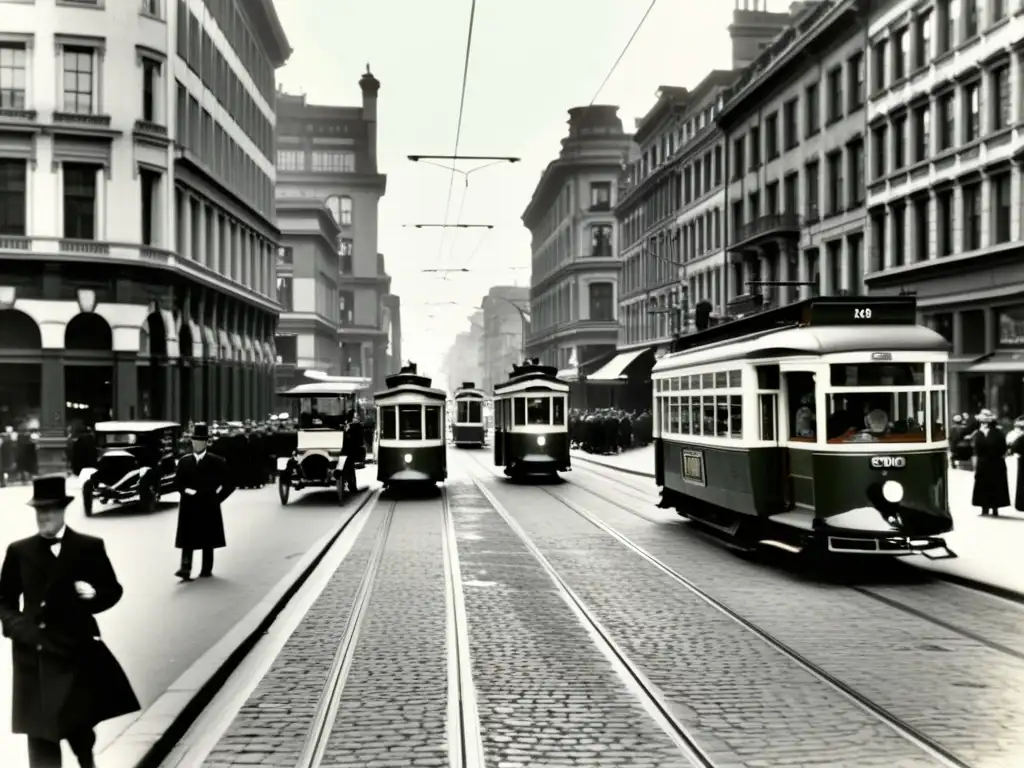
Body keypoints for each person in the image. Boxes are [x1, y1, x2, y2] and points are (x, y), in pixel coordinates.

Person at [0, 475, 139, 767]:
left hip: (75, 651)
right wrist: (19, 629)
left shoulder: (88, 547)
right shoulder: (19, 551)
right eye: (39, 510)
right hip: (34, 655)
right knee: (40, 739)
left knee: (79, 729)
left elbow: (113, 590)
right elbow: (5, 602)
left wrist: (94, 595)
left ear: (63, 510)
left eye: (49, 510)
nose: (44, 517)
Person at [173, 423, 235, 580]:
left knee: (208, 537)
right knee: (187, 539)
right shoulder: (184, 462)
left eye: (201, 441)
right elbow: (178, 482)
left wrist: (217, 499)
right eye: (195, 441)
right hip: (189, 505)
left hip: (208, 504)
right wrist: (185, 491)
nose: (197, 444)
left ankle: (206, 569)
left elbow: (229, 483)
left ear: (206, 443)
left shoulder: (217, 461)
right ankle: (185, 568)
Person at [971, 408, 1010, 516]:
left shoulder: (981, 434)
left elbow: (977, 449)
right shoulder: (998, 433)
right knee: (993, 484)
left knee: (987, 484)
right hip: (995, 462)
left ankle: (987, 508)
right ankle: (993, 507)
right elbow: (1003, 448)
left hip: (987, 462)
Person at [340, 410, 365, 495]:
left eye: (357, 417)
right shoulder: (353, 426)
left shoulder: (355, 426)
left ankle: (351, 485)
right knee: (350, 469)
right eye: (355, 417)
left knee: (350, 469)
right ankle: (351, 486)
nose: (357, 419)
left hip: (349, 451)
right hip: (348, 451)